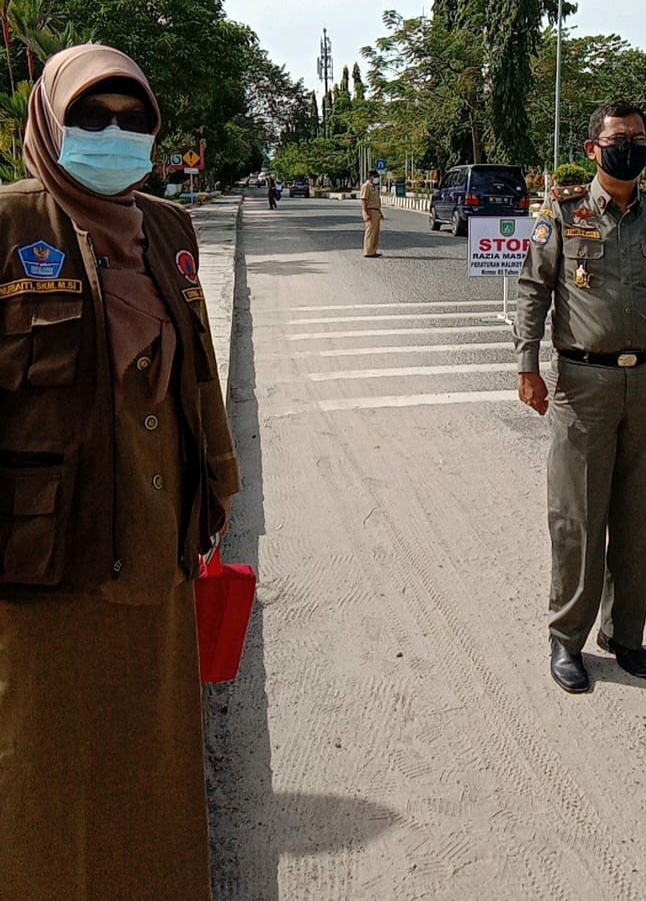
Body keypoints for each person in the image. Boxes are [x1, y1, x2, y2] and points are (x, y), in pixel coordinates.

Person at [0, 44, 241, 900]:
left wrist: (217, 487)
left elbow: (197, 373)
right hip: (46, 558)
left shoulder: (168, 230)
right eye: (91, 117)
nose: (114, 133)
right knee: (43, 777)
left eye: (133, 118)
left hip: (157, 546)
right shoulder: (11, 225)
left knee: (152, 764)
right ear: (49, 121)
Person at [514, 99, 646, 694]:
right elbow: (533, 290)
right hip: (582, 386)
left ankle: (624, 635)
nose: (631, 148)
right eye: (619, 139)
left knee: (637, 518)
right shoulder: (564, 213)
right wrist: (527, 365)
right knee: (577, 518)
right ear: (593, 149)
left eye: (639, 139)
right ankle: (566, 639)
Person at [360, 168, 384, 257]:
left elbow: (377, 201)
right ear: (371, 177)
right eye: (375, 177)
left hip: (376, 211)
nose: (377, 179)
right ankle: (368, 251)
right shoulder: (366, 186)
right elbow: (363, 200)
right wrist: (365, 212)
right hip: (370, 210)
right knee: (370, 232)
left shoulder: (374, 187)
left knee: (375, 233)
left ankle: (373, 251)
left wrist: (380, 213)